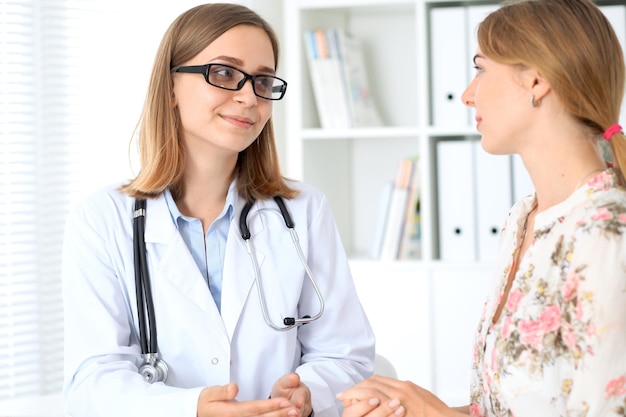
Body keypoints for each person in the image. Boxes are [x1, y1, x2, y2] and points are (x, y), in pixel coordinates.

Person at [61, 3, 375, 417]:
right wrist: (191, 408)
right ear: (170, 87)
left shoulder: (303, 211)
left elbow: (345, 356)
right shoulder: (102, 219)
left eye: (262, 80)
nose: (249, 96)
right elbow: (91, 380)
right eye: (225, 73)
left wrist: (308, 393)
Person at [337, 0, 626, 416]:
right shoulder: (521, 220)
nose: (468, 95)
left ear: (536, 81)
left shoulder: (607, 233)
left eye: (481, 68)